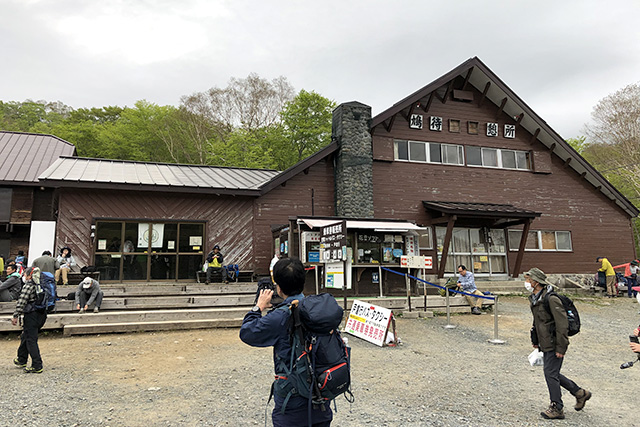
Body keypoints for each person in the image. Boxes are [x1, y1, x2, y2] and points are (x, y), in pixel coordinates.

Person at [239, 257, 333, 426]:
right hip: (321, 399)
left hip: (292, 403)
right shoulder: (319, 310)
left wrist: (258, 307)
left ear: (279, 288)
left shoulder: (281, 316)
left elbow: (247, 332)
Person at [526, 267, 591, 419]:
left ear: (536, 282)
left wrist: (561, 347)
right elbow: (537, 322)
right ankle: (580, 393)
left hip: (555, 342)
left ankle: (557, 407)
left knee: (550, 373)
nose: (526, 282)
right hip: (545, 341)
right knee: (552, 372)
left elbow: (562, 325)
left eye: (528, 279)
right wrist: (535, 340)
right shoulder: (535, 299)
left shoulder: (551, 299)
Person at [11, 266, 47, 373]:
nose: (24, 276)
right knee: (25, 336)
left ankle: (37, 365)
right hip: (42, 314)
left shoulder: (29, 286)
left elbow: (21, 302)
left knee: (31, 339)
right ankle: (22, 358)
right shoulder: (42, 285)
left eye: (25, 274)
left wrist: (15, 315)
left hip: (31, 315)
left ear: (29, 275)